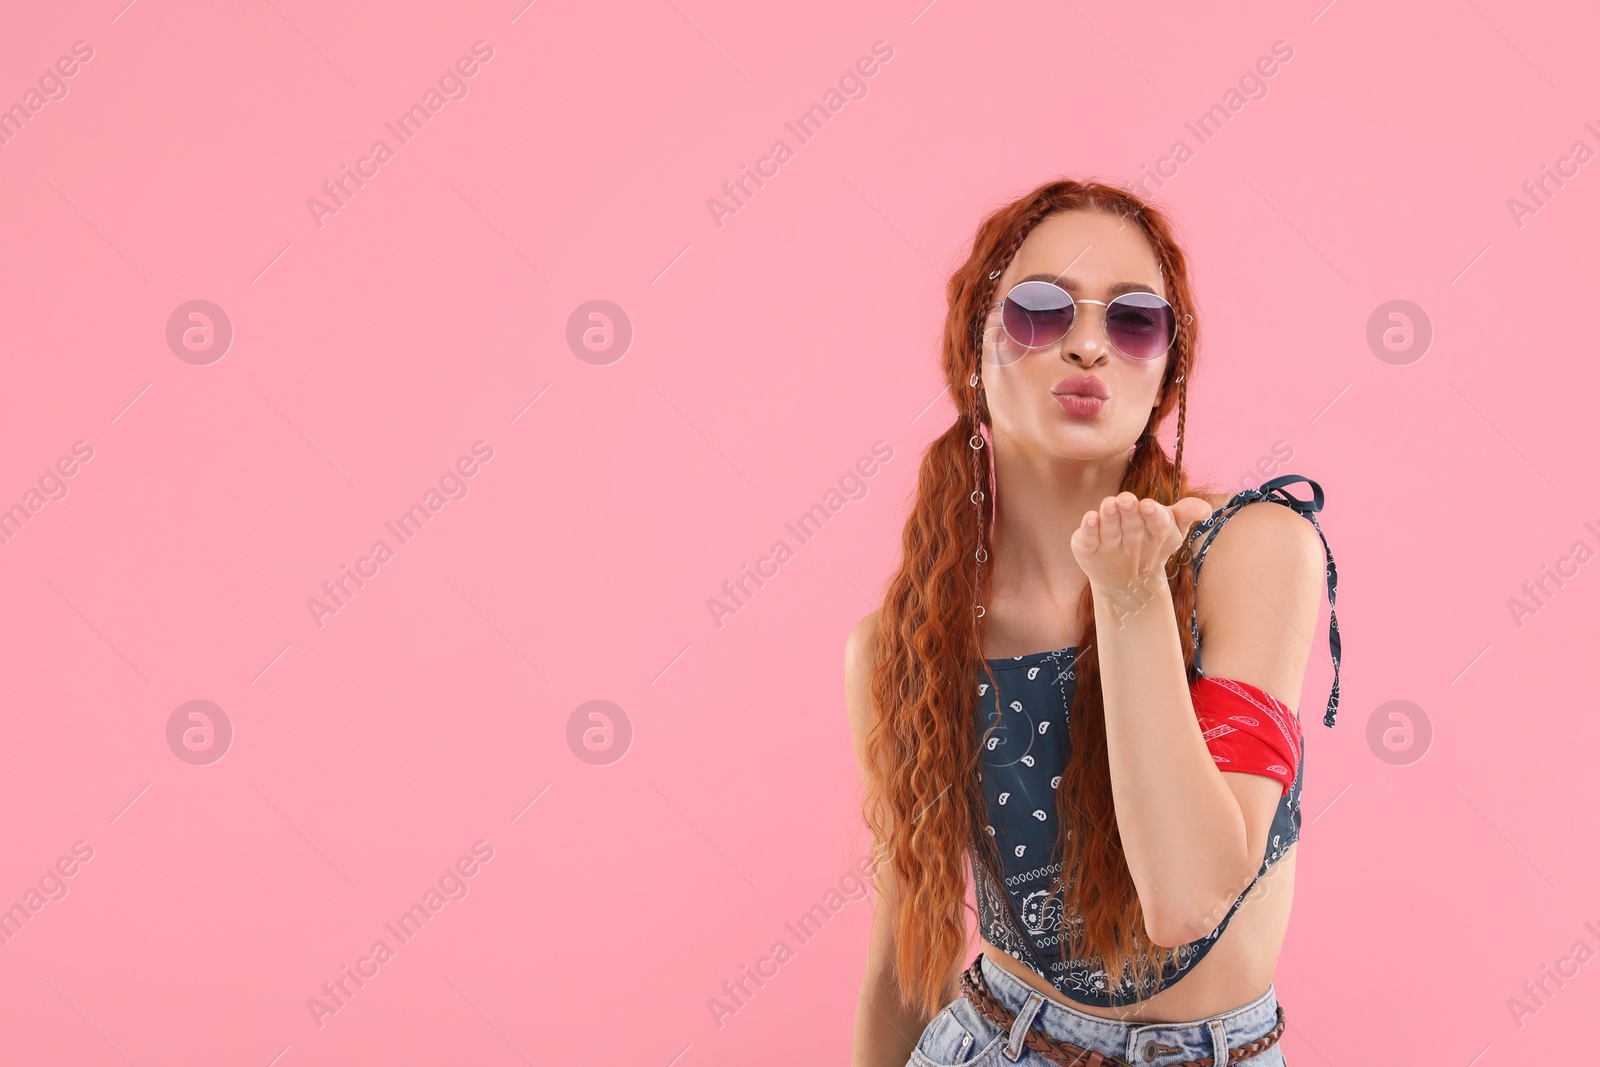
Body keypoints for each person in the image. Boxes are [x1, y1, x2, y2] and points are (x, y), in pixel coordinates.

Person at [846, 178, 1342, 1067]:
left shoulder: (1253, 553)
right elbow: (904, 956)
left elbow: (1189, 893)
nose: (1086, 343)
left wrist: (1130, 598)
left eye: (1133, 320)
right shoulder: (905, 640)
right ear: (973, 351)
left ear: (1165, 375)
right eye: (1038, 311)